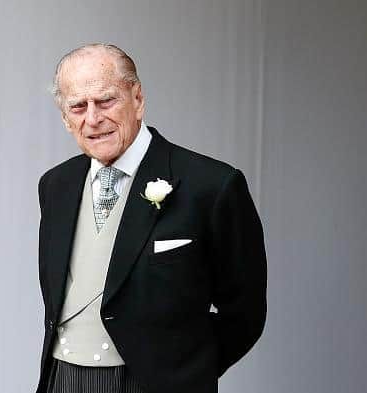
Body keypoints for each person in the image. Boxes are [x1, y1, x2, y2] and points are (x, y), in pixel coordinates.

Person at [36, 43, 267, 393]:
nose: (93, 118)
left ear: (138, 98)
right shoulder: (55, 185)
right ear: (66, 119)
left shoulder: (213, 185)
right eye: (79, 107)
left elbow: (245, 313)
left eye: (106, 101)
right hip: (63, 379)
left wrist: (185, 371)